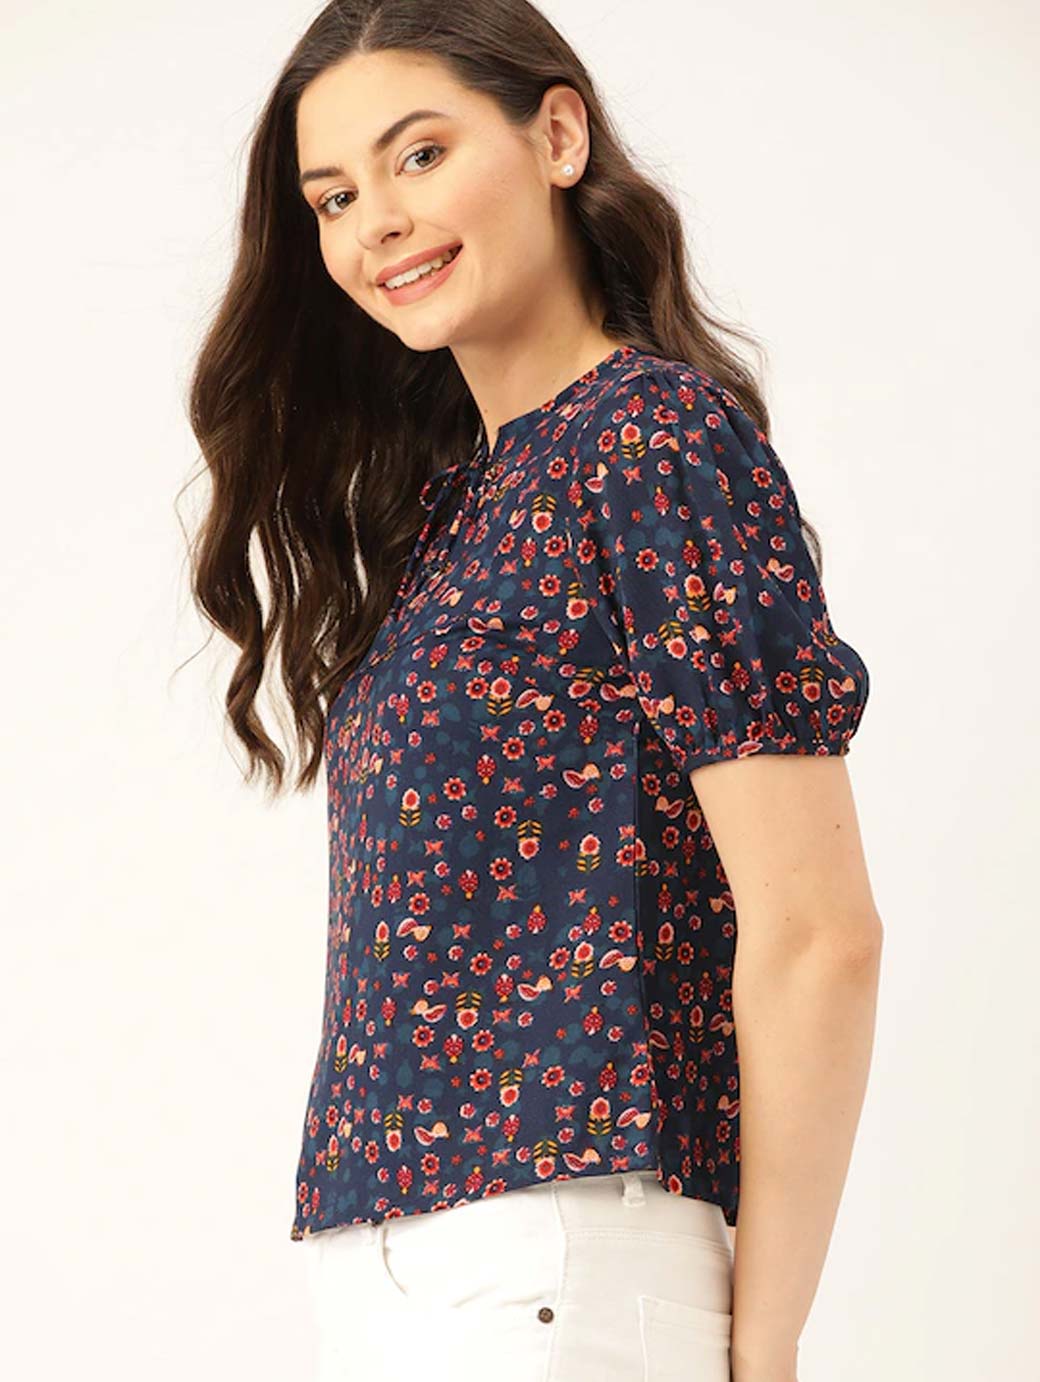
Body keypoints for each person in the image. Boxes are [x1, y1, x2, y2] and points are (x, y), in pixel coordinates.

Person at [185, 2, 883, 1379]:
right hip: (400, 1265)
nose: (376, 221)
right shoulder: (458, 508)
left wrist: (765, 1344)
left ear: (557, 136)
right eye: (334, 197)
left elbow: (819, 934)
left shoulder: (651, 440)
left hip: (555, 1261)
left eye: (419, 154)